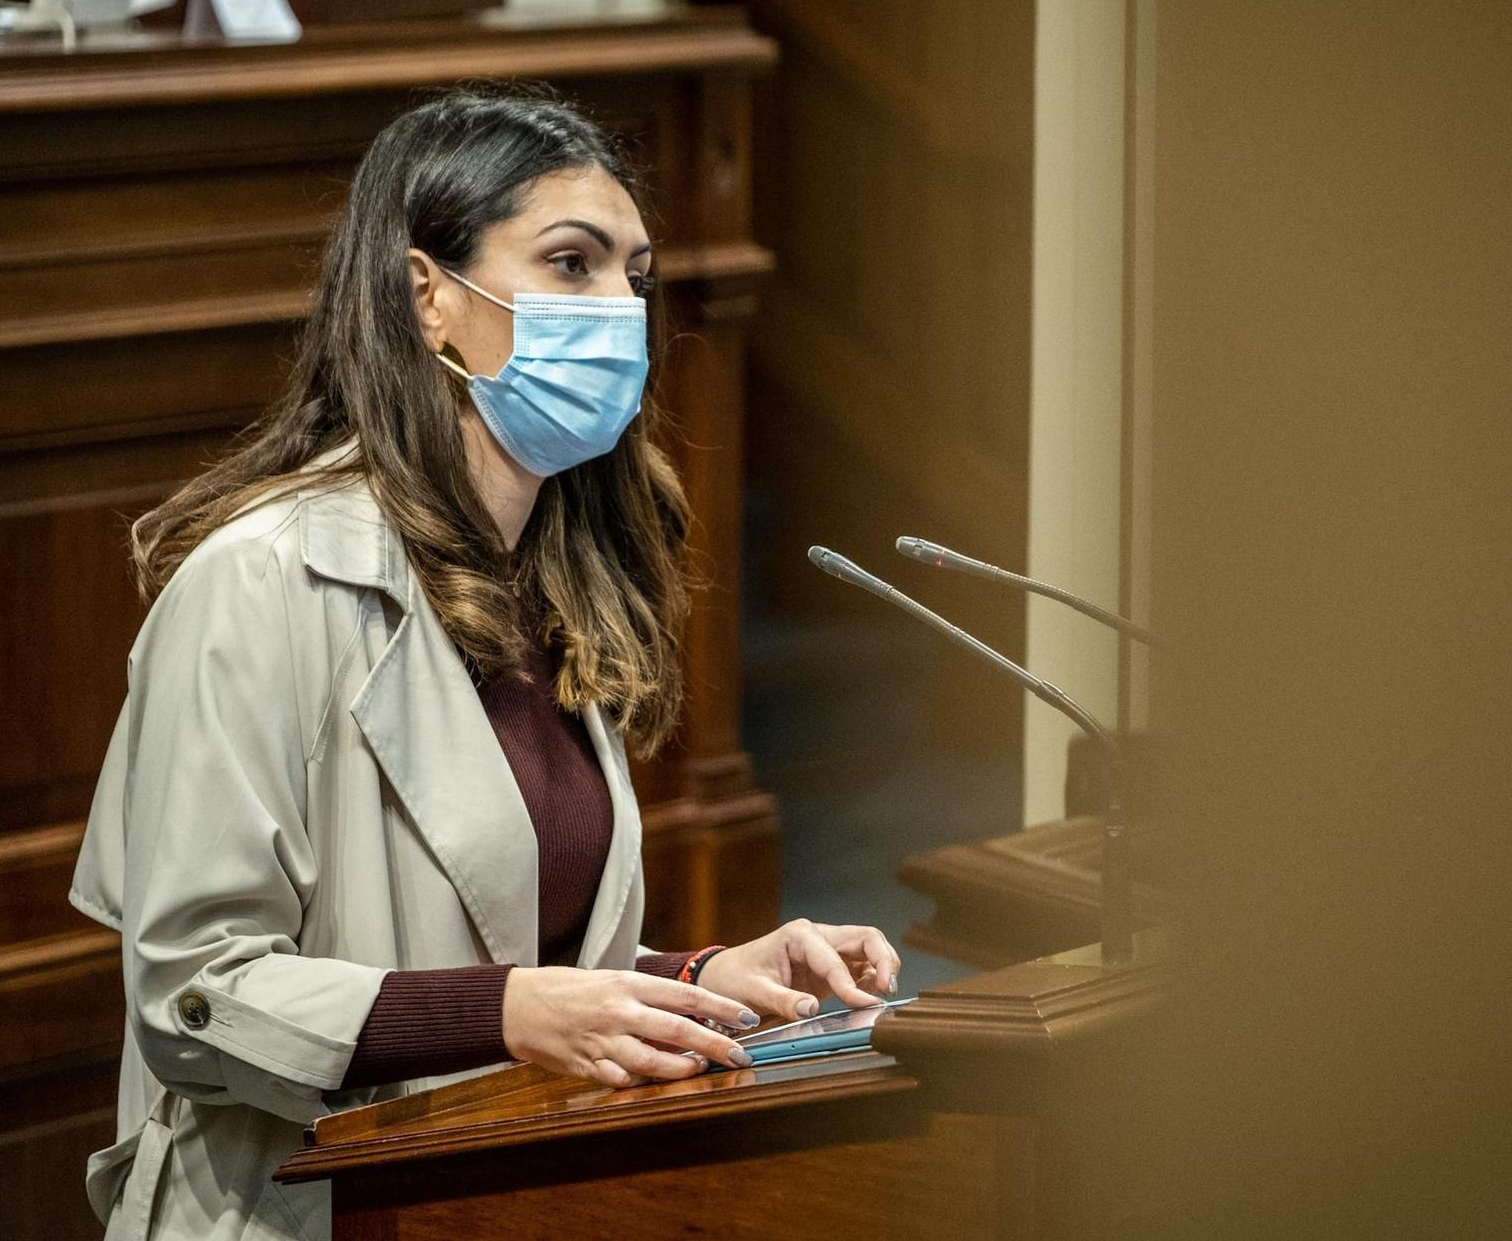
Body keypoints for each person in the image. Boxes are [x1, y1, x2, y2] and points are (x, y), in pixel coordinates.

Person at [69, 87, 902, 1241]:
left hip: (499, 1190)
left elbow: (501, 955)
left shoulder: (550, 580)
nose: (619, 309)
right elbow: (195, 999)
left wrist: (702, 978)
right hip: (302, 1208)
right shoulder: (262, 578)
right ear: (427, 297)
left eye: (634, 275)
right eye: (572, 263)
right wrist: (515, 1011)